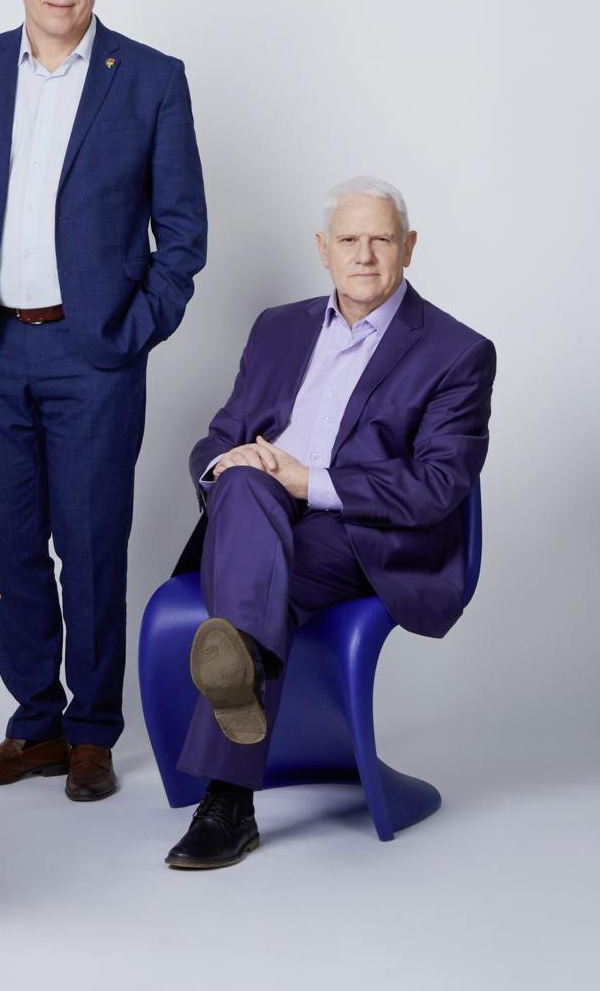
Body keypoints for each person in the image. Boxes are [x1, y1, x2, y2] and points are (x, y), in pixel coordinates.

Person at [0, 0, 207, 801]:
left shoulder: (150, 79)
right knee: (7, 549)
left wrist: (131, 330)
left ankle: (91, 733)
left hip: (93, 356)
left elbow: (183, 234)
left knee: (91, 545)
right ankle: (35, 723)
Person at [165, 176, 495, 869]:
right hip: (253, 513)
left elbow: (438, 486)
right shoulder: (278, 327)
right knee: (243, 482)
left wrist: (308, 481)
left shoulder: (457, 352)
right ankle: (246, 663)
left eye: (381, 239)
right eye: (349, 239)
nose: (364, 255)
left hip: (360, 535)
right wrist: (229, 461)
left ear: (409, 247)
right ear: (323, 249)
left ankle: (228, 797)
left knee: (264, 583)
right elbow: (219, 434)